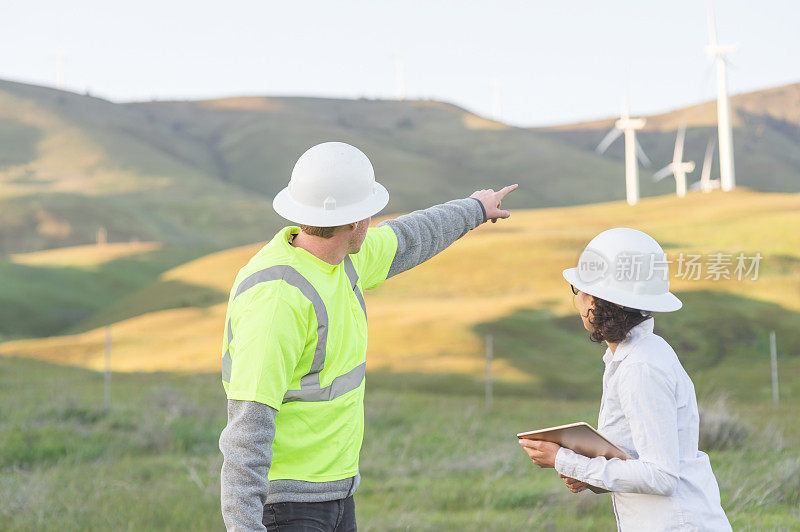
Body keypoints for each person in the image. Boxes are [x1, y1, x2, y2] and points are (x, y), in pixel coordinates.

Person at [219, 141, 518, 531]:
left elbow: (410, 236)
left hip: (337, 496)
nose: (373, 222)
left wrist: (474, 209)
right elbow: (247, 427)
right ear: (355, 221)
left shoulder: (345, 259)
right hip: (288, 507)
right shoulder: (277, 299)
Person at [518, 227, 731, 531]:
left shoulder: (640, 367)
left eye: (578, 290)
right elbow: (636, 459)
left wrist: (564, 460)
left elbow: (661, 476)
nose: (577, 300)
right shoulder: (636, 355)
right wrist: (587, 475)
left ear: (594, 302)